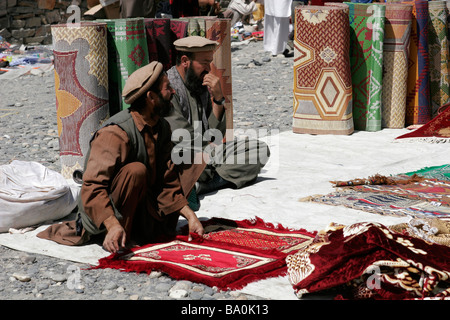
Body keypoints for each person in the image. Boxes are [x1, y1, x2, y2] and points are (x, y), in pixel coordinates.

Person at [41, 61, 205, 254]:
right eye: (167, 88)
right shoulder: (116, 133)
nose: (173, 92)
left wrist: (190, 216)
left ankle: (137, 229)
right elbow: (92, 187)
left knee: (194, 161)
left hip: (141, 207)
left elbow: (167, 180)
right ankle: (118, 235)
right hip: (107, 216)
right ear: (151, 97)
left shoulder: (162, 127)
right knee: (136, 171)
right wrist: (112, 224)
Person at [164, 36, 270, 195]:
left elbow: (215, 135)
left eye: (210, 62)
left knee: (260, 150)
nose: (209, 69)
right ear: (185, 61)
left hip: (206, 152)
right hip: (182, 156)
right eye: (204, 63)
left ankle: (205, 185)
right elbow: (181, 137)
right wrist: (208, 148)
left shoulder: (198, 83)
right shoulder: (169, 89)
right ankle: (210, 178)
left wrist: (219, 99)